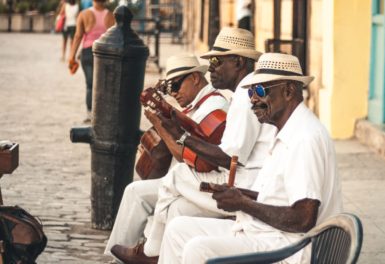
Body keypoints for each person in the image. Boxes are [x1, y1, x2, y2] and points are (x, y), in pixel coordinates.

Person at [109, 27, 277, 264]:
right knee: (177, 209)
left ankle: (150, 254)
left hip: (244, 186)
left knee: (177, 177)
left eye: (217, 62)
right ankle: (150, 253)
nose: (211, 69)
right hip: (246, 180)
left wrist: (182, 137)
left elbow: (230, 159)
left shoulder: (245, 95)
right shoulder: (245, 91)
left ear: (238, 62)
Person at [158, 53, 343, 264]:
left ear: (289, 91)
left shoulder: (304, 138)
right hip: (267, 233)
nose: (253, 99)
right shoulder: (284, 130)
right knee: (177, 229)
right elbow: (279, 197)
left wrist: (243, 203)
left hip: (290, 246)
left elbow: (303, 219)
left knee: (198, 249)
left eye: (261, 91)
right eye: (252, 92)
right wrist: (238, 195)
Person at [104, 54, 230, 261]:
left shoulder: (213, 107)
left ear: (196, 78)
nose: (173, 93)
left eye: (176, 85)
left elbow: (188, 158)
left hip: (204, 180)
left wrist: (161, 126)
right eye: (169, 87)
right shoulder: (198, 105)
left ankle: (141, 254)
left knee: (138, 193)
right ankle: (121, 255)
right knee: (135, 191)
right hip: (192, 177)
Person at [68, 0, 115, 123]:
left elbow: (78, 36)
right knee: (104, 86)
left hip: (88, 52)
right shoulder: (111, 16)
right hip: (105, 53)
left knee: (90, 85)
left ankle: (90, 114)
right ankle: (103, 114)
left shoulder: (83, 14)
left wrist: (71, 56)